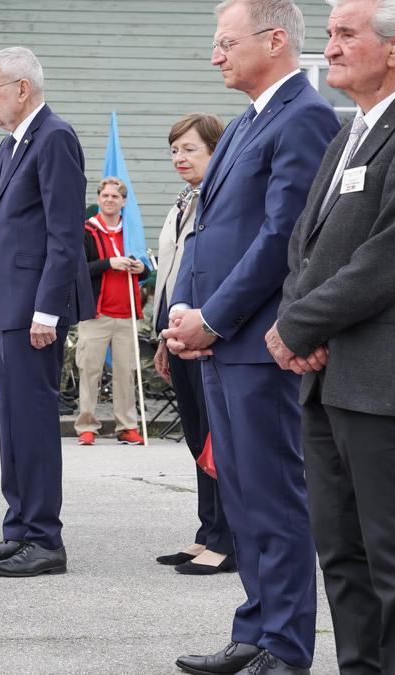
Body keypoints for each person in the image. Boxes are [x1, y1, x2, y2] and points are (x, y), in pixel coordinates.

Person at [164, 1, 340, 673]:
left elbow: (282, 238)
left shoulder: (305, 116)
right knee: (240, 493)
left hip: (258, 344)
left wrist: (214, 316)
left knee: (273, 494)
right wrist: (185, 309)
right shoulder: (245, 123)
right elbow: (209, 230)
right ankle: (256, 627)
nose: (216, 55)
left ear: (273, 39)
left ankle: (287, 647)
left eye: (225, 42)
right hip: (220, 340)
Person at [269, 1, 395, 671]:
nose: (327, 47)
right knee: (343, 555)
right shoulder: (346, 134)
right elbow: (306, 246)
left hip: (387, 382)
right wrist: (298, 328)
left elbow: (392, 252)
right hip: (327, 376)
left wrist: (299, 324)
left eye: (344, 33)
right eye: (327, 33)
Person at [0, 47, 92, 578]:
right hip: (8, 309)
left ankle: (44, 539)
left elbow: (64, 235)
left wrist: (46, 310)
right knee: (12, 425)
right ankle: (18, 530)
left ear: (22, 88)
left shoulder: (54, 136)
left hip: (34, 311)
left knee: (34, 425)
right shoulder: (14, 144)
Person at [151, 113, 234, 576]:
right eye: (174, 150)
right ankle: (208, 530)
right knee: (197, 438)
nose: (179, 157)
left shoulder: (219, 203)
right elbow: (171, 276)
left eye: (190, 149)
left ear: (216, 151)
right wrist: (163, 337)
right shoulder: (184, 200)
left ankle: (227, 537)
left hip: (209, 336)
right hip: (177, 334)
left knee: (217, 440)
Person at [74, 177, 149, 447]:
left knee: (125, 372)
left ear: (123, 201)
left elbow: (147, 266)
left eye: (115, 196)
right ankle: (86, 425)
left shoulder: (131, 232)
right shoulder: (86, 231)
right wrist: (109, 263)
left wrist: (143, 269)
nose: (109, 200)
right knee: (90, 370)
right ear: (98, 198)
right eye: (104, 195)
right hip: (96, 313)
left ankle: (126, 425)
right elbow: (79, 269)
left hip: (126, 314)